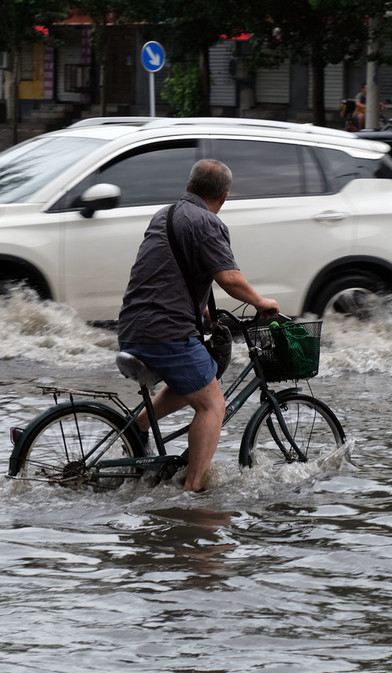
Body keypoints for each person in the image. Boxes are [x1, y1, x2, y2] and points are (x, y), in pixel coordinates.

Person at [117, 159, 279, 492]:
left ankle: (139, 427)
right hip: (166, 330)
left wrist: (203, 308)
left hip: (133, 326)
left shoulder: (165, 215)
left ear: (189, 186)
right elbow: (229, 278)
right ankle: (193, 490)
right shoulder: (207, 222)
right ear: (224, 195)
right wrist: (261, 302)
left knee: (197, 375)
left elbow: (166, 269)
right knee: (212, 404)